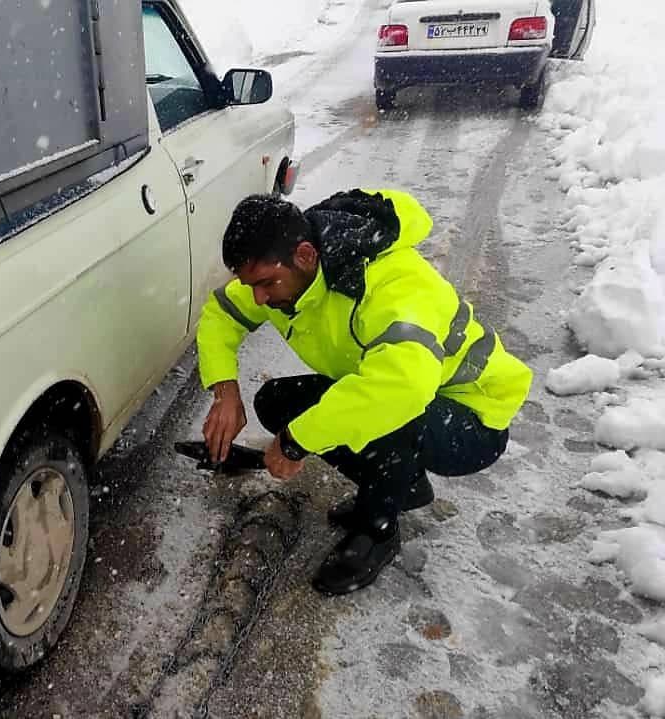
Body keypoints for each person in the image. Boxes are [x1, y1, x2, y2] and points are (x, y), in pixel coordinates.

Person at [197, 188, 532, 595]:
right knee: (277, 403)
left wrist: (295, 442)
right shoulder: (287, 272)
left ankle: (378, 528)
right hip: (406, 394)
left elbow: (402, 389)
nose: (259, 298)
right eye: (251, 285)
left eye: (266, 283)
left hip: (472, 418)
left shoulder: (391, 284)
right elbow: (221, 315)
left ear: (305, 255)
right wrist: (224, 391)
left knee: (387, 413)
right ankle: (402, 483)